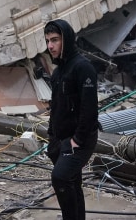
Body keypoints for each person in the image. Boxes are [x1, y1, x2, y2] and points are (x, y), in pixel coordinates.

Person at [44, 19, 99, 220]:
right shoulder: (58, 72)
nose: (50, 46)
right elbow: (56, 106)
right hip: (60, 140)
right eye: (48, 40)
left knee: (60, 178)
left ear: (66, 39)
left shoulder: (83, 68)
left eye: (55, 40)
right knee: (72, 183)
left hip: (78, 141)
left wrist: (77, 140)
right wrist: (52, 137)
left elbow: (90, 109)